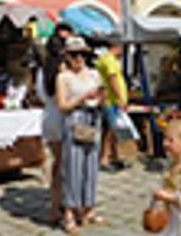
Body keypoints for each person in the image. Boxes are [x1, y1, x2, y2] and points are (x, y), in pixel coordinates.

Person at [56, 36, 104, 233]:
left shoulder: (93, 74)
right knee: (73, 168)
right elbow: (62, 105)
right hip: (74, 120)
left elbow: (102, 95)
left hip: (93, 119)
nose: (79, 58)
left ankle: (87, 209)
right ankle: (69, 213)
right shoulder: (64, 77)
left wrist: (100, 99)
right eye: (74, 54)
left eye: (82, 54)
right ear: (67, 56)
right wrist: (83, 98)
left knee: (90, 166)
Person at [38, 24, 71, 225]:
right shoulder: (63, 68)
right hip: (62, 116)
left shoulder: (44, 68)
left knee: (57, 163)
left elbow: (42, 95)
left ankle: (54, 205)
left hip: (49, 116)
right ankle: (62, 205)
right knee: (65, 166)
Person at [96, 36, 129, 172]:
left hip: (110, 100)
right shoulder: (109, 60)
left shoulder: (106, 58)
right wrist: (120, 98)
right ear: (118, 47)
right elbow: (112, 79)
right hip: (112, 101)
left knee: (112, 131)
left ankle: (114, 156)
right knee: (111, 131)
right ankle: (105, 158)